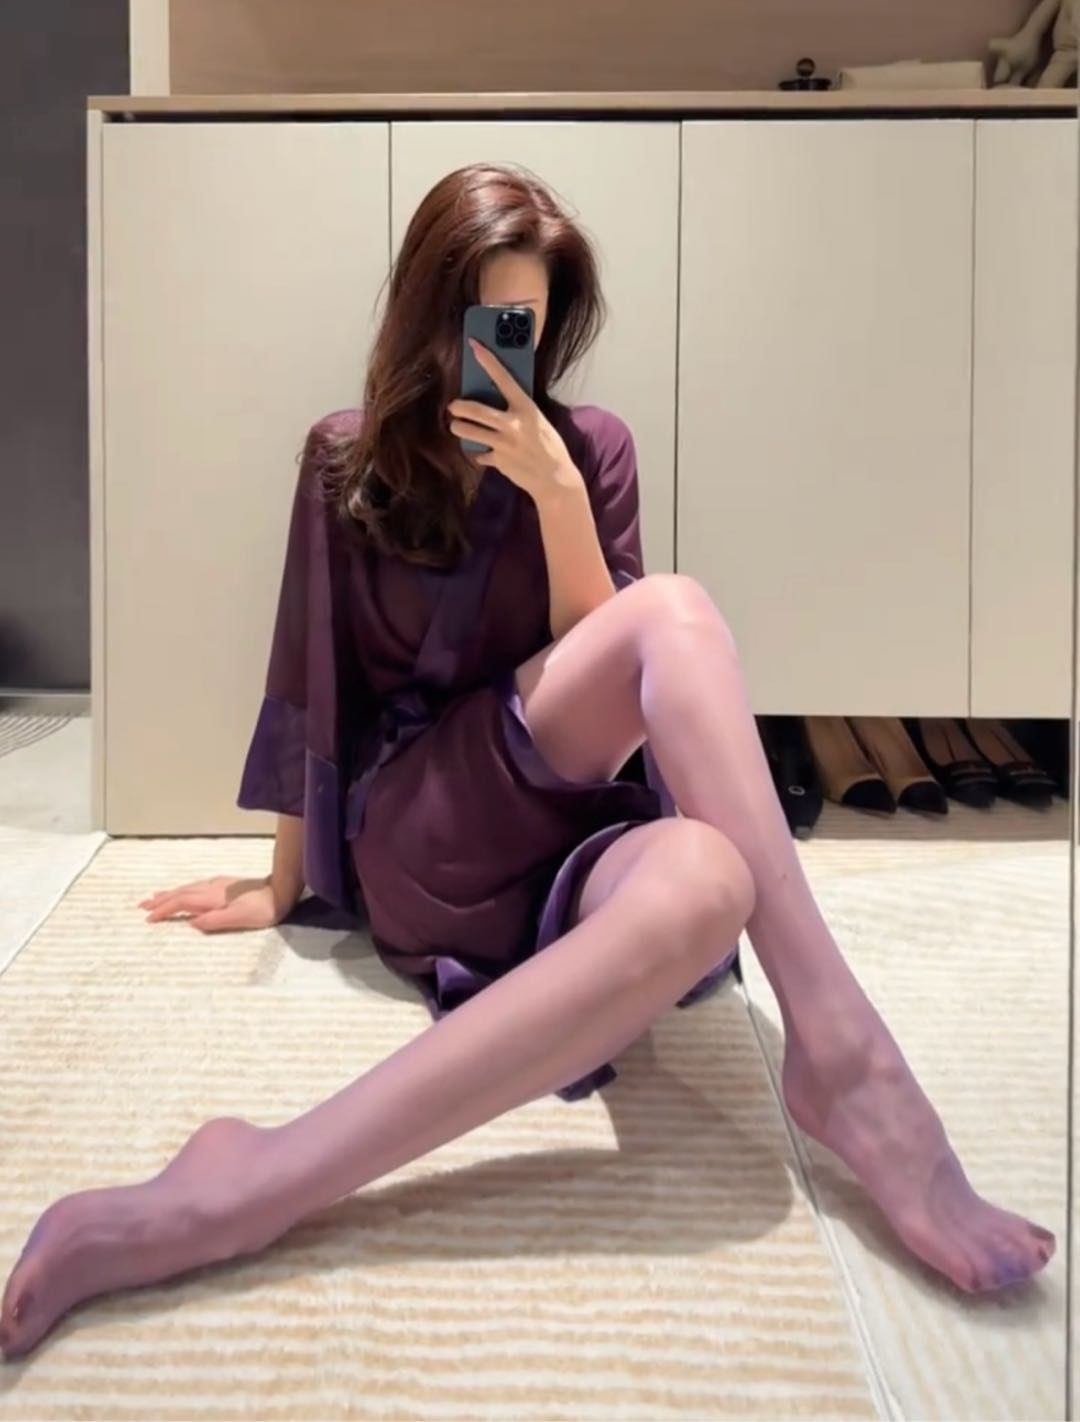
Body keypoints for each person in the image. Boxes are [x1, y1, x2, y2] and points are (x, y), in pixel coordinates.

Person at [0, 163, 1054, 1361]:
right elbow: (307, 668)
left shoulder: (591, 451)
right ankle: (265, 1182)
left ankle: (829, 1055)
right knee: (675, 609)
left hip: (569, 828)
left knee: (711, 879)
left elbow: (618, 681)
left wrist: (558, 497)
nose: (504, 353)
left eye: (526, 328)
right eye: (481, 323)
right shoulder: (346, 458)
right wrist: (285, 880)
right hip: (426, 831)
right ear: (426, 313)